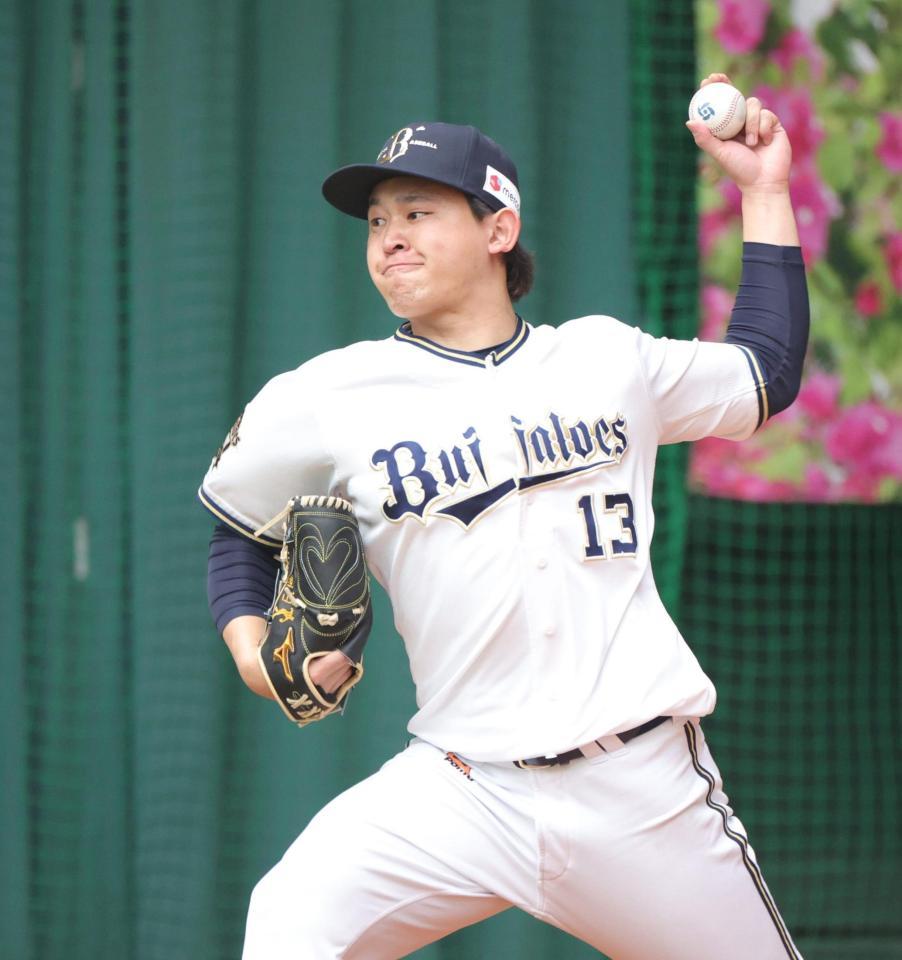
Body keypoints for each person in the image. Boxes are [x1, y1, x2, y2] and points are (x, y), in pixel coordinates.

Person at [200, 73, 808, 960]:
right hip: (461, 786)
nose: (390, 238)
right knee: (289, 920)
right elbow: (238, 535)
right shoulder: (327, 396)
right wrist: (260, 658)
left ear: (499, 228)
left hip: (640, 790)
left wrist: (762, 189)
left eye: (419, 213)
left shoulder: (607, 360)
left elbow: (766, 367)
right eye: (377, 222)